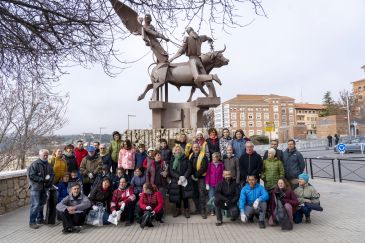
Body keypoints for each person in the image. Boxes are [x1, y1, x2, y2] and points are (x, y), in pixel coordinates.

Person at [27, 149, 54, 229]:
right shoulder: (35, 164)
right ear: (40, 155)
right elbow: (31, 175)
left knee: (42, 204)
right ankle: (32, 222)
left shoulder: (49, 164)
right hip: (35, 188)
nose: (45, 156)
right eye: (44, 155)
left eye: (47, 155)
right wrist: (42, 179)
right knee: (35, 205)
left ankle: (40, 219)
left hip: (45, 187)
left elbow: (52, 174)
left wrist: (49, 181)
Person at [168, 145, 193, 218]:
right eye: (176, 150)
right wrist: (178, 177)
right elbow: (171, 170)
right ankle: (177, 210)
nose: (177, 151)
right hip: (176, 179)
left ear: (181, 150)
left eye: (179, 149)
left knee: (185, 195)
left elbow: (189, 168)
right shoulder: (172, 159)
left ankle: (186, 210)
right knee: (177, 195)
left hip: (185, 179)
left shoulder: (185, 157)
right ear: (174, 151)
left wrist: (184, 177)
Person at [189, 142, 208, 218]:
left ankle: (203, 211)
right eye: (194, 147)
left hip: (201, 178)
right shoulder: (190, 156)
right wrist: (192, 175)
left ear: (199, 148)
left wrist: (196, 175)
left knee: (202, 194)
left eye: (197, 147)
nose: (196, 148)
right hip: (192, 178)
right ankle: (198, 209)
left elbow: (204, 167)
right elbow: (189, 166)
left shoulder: (203, 155)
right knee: (194, 194)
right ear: (192, 148)